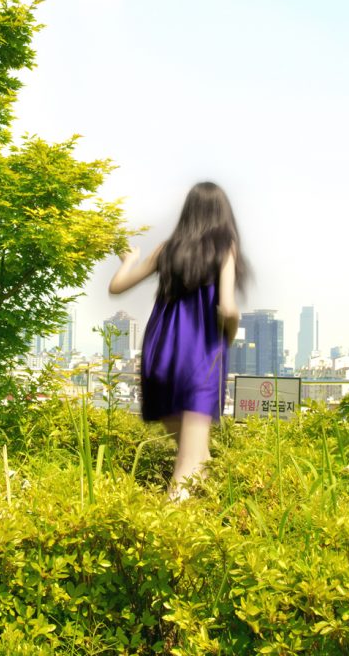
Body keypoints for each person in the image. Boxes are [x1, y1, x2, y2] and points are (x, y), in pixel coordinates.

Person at [109, 181, 248, 501]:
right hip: (199, 358)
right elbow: (227, 307)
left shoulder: (165, 249)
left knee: (200, 459)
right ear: (222, 214)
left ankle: (208, 525)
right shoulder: (224, 246)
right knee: (188, 467)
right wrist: (228, 336)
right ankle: (169, 540)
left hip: (159, 354)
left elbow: (117, 287)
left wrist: (129, 260)